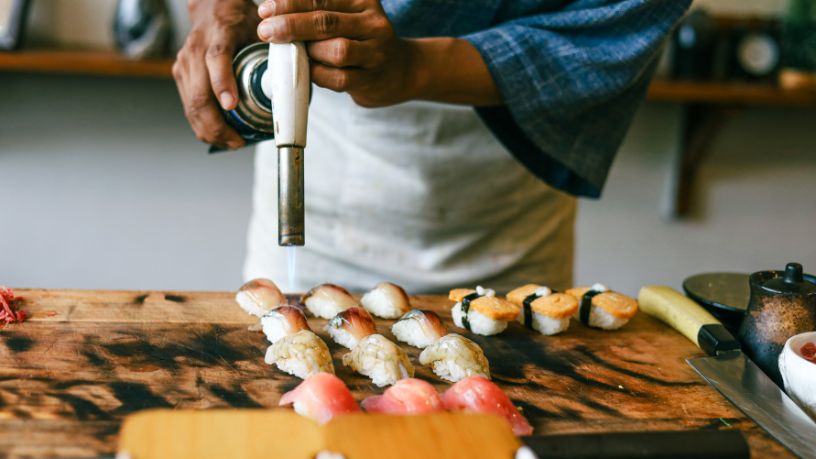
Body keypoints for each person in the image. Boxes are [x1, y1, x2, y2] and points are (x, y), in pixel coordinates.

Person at [173, 0, 691, 293]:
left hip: (506, 225)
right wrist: (219, 8)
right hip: (322, 207)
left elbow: (612, 27)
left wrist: (413, 67)